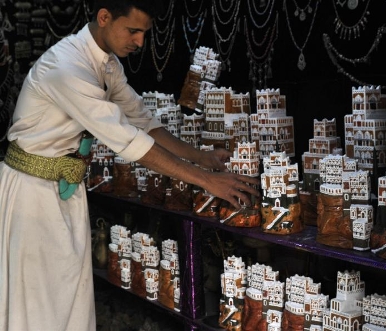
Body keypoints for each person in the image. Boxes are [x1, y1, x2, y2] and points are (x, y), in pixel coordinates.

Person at [0, 1, 260, 330]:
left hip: (64, 190)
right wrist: (207, 180)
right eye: (133, 31)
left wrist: (201, 157)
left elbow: (142, 120)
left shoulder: (107, 65)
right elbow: (128, 140)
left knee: (69, 297)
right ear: (104, 17)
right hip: (30, 194)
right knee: (37, 301)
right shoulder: (66, 67)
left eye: (144, 33)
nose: (139, 42)